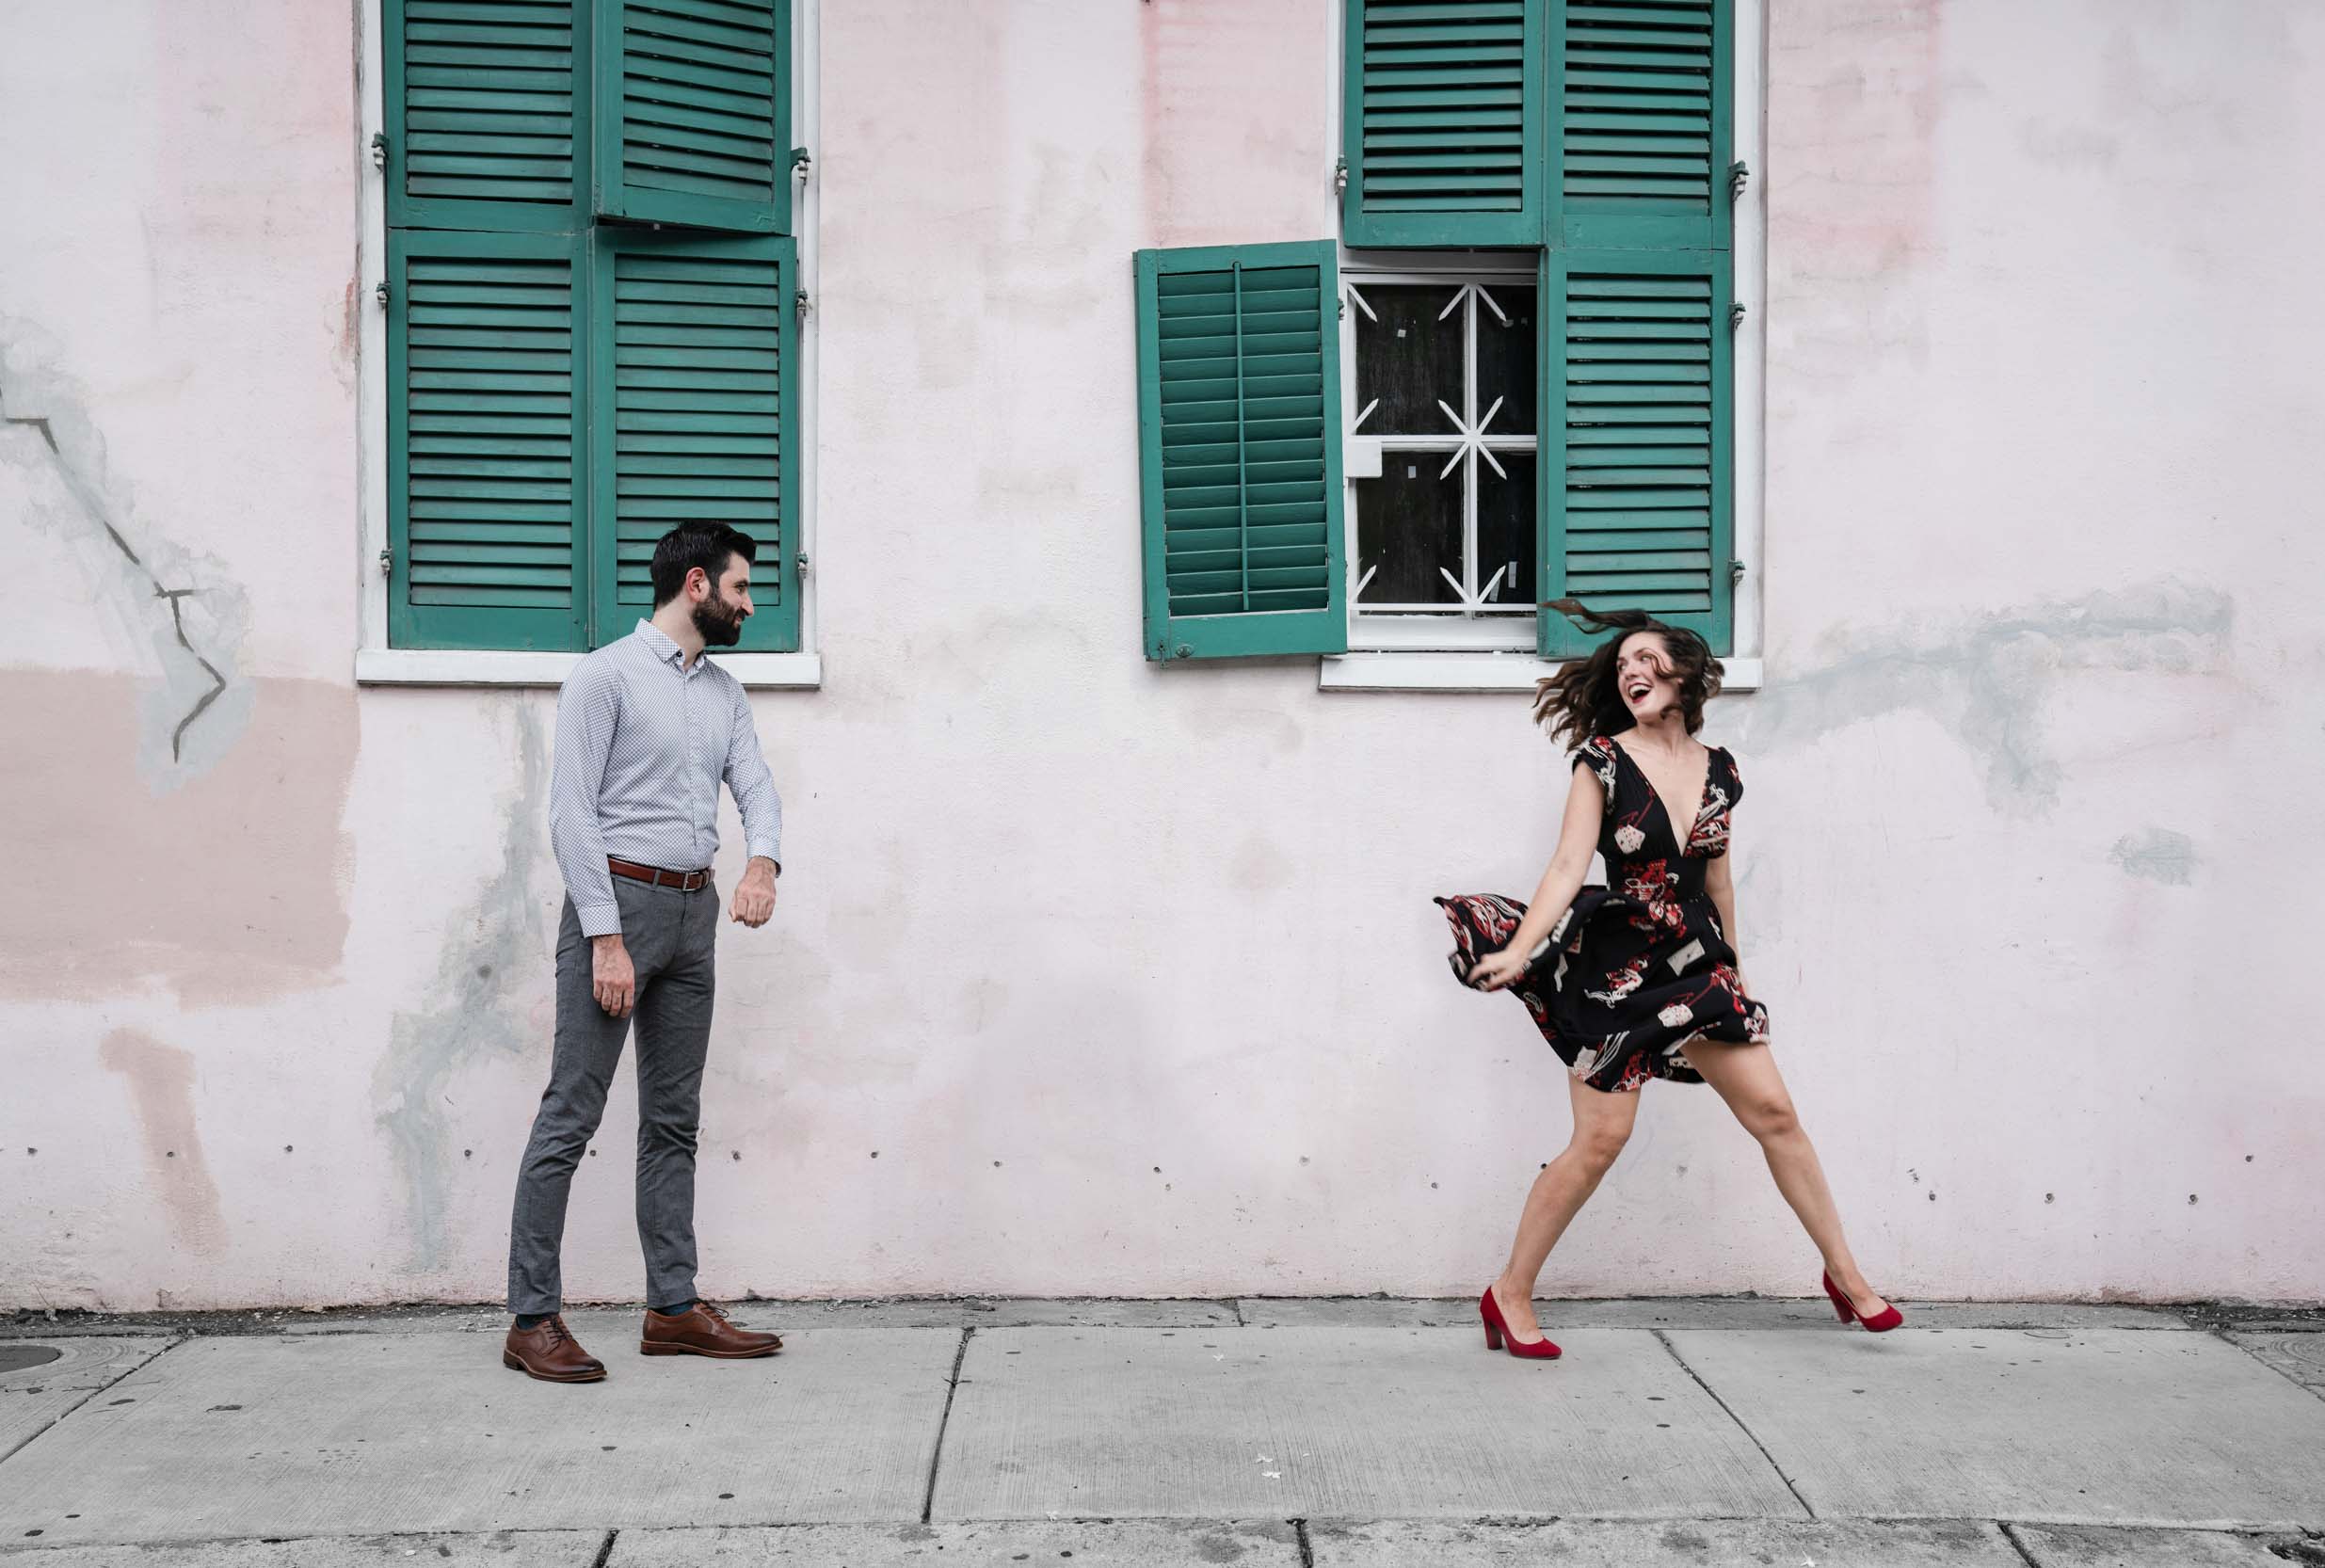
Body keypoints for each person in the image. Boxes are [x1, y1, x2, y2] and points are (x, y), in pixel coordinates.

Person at [1437, 603, 1901, 1363]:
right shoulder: (1602, 761)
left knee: (1777, 1114)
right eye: (1622, 666)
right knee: (1599, 1142)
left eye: (1645, 659)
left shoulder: (1721, 770)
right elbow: (1565, 867)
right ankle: (1510, 1291)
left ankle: (1845, 1274)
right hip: (1620, 969)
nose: (1630, 672)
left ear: (1683, 673)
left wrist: (1737, 973)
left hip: (1700, 960)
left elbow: (1717, 879)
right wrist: (1522, 950)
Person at [501, 521, 789, 1383]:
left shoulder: (724, 694)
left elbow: (758, 787)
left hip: (694, 915)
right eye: (741, 588)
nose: (750, 604)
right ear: (696, 585)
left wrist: (762, 863)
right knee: (571, 1114)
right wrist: (604, 937)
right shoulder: (604, 677)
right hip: (617, 908)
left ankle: (672, 1308)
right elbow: (570, 815)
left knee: (673, 1121)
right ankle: (531, 1318)